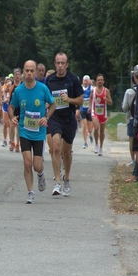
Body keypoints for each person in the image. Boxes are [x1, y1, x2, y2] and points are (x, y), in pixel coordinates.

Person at [8, 60, 56, 203]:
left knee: (37, 165)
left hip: (39, 131)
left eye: (31, 71)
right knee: (27, 162)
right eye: (26, 71)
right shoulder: (19, 90)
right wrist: (12, 118)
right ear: (23, 72)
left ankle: (41, 174)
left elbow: (53, 105)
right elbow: (11, 107)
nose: (29, 73)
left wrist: (46, 117)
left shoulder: (42, 89)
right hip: (24, 131)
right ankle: (30, 192)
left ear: (35, 72)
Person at [46, 52, 83, 196]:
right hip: (55, 117)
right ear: (54, 64)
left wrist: (69, 99)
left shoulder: (73, 79)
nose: (60, 66)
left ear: (67, 64)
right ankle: (57, 182)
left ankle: (66, 177)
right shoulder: (50, 80)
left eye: (63, 63)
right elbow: (45, 97)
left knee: (66, 152)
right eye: (58, 63)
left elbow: (80, 100)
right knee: (55, 147)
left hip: (69, 118)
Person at [89, 74, 113, 156]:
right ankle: (96, 144)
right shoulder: (93, 90)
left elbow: (110, 102)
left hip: (103, 113)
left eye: (101, 80)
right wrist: (90, 107)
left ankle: (101, 147)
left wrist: (106, 99)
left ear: (103, 81)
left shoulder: (106, 91)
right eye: (98, 80)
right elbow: (91, 98)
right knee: (96, 128)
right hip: (95, 112)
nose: (100, 81)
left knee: (102, 131)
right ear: (96, 81)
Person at [122, 73, 137, 166]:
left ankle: (133, 159)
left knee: (131, 139)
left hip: (131, 118)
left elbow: (124, 107)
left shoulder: (129, 92)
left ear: (132, 80)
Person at [8, 68, 22, 152]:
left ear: (20, 76)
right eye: (16, 74)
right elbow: (7, 94)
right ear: (14, 76)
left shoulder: (22, 85)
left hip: (20, 107)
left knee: (19, 126)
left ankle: (18, 144)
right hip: (12, 107)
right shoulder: (11, 85)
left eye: (18, 74)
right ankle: (12, 142)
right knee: (12, 125)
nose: (17, 76)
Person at [80, 75, 94, 149]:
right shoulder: (80, 88)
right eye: (84, 80)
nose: (85, 82)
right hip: (82, 110)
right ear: (82, 81)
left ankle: (90, 135)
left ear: (89, 81)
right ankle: (85, 142)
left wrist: (90, 106)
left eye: (87, 80)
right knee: (84, 125)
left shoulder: (91, 88)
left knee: (90, 128)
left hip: (89, 110)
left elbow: (94, 97)